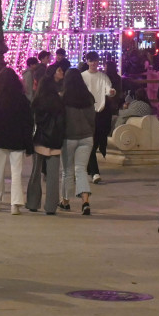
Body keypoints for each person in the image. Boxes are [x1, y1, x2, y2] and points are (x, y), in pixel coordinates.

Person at [0, 67, 33, 214]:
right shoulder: (22, 100)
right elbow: (28, 123)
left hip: (0, 139)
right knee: (16, 173)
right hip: (17, 140)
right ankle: (15, 204)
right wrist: (28, 143)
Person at [26, 73, 66, 215]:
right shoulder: (59, 102)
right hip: (55, 142)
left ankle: (32, 203)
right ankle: (50, 206)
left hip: (39, 140)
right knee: (53, 175)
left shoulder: (36, 102)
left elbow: (32, 123)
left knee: (36, 173)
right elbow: (62, 123)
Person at [59, 68, 95, 214]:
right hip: (87, 137)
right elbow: (92, 119)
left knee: (67, 171)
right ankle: (85, 201)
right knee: (81, 169)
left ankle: (65, 201)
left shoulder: (63, 98)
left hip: (69, 138)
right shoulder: (88, 97)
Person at [81, 51, 116, 183]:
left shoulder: (103, 76)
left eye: (95, 61)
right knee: (90, 142)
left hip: (101, 113)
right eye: (91, 61)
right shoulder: (82, 76)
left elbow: (108, 89)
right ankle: (95, 172)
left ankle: (89, 168)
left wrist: (111, 92)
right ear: (87, 62)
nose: (94, 63)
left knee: (96, 141)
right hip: (87, 112)